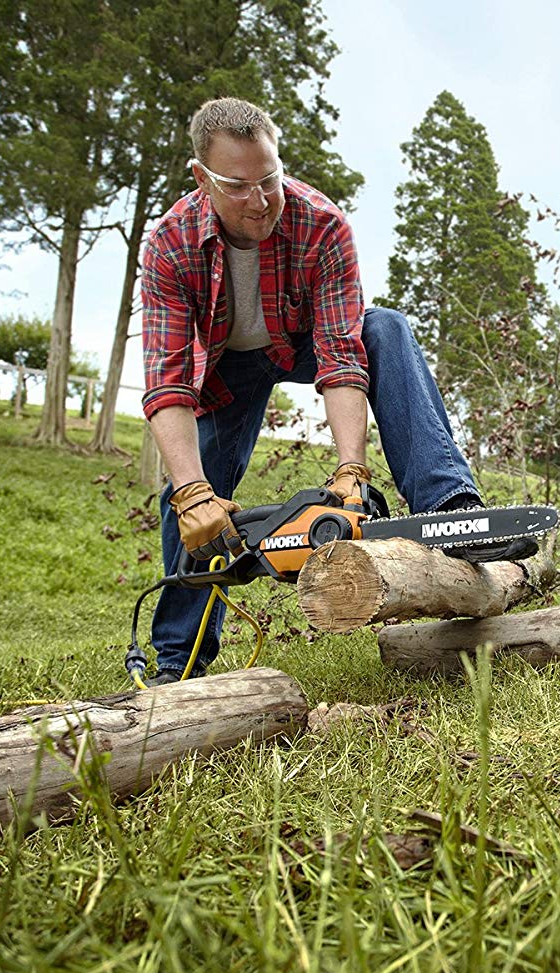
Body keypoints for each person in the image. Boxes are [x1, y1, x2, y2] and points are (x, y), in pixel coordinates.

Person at [140, 97, 529, 685]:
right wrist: (193, 492)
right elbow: (170, 379)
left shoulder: (320, 222)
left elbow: (342, 354)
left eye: (269, 178)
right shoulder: (169, 243)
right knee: (192, 500)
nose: (261, 199)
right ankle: (179, 661)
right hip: (222, 373)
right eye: (238, 186)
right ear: (202, 178)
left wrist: (351, 472)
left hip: (299, 342)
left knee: (386, 328)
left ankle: (448, 508)